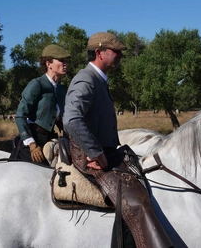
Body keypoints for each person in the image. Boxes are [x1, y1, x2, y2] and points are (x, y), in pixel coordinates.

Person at [63, 32, 173, 248]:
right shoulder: (86, 79)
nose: (121, 55)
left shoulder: (99, 80)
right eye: (116, 51)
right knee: (135, 202)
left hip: (105, 151)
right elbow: (71, 119)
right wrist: (97, 153)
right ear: (99, 53)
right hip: (88, 155)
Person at [10, 44, 70, 166]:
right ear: (48, 64)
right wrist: (32, 145)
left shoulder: (61, 89)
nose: (65, 64)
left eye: (66, 61)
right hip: (33, 140)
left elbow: (60, 119)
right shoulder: (37, 84)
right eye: (61, 60)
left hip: (50, 138)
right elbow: (20, 116)